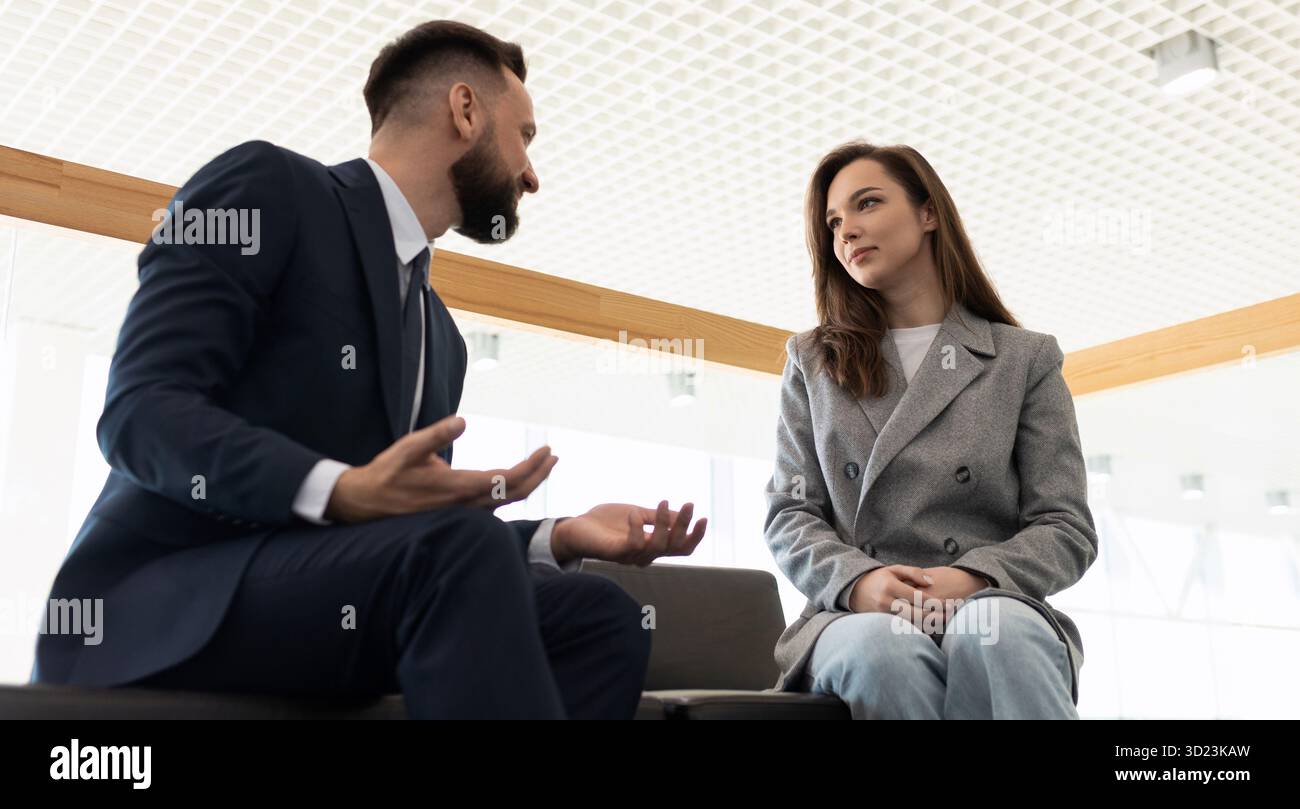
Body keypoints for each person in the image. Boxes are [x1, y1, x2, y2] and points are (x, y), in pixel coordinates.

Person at [33, 20, 706, 720]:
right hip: (168, 600)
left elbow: (403, 529)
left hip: (319, 599)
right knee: (458, 549)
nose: (532, 175)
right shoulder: (269, 185)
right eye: (525, 137)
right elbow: (141, 412)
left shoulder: (443, 339)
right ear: (465, 109)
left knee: (598, 614)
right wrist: (340, 489)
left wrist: (556, 535)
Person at [763, 141, 1097, 719]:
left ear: (929, 213)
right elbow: (790, 515)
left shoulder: (1024, 360)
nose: (846, 231)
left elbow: (1065, 527)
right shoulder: (812, 361)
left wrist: (970, 579)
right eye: (834, 222)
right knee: (881, 650)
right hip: (852, 613)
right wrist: (858, 583)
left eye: (867, 203)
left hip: (990, 598)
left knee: (998, 634)